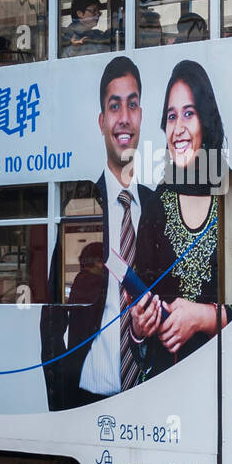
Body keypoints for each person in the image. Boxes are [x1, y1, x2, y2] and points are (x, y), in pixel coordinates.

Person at [40, 55, 159, 410]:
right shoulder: (82, 206)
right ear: (102, 121)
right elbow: (52, 316)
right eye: (114, 106)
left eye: (132, 105)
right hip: (85, 397)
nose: (124, 117)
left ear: (141, 116)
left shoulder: (159, 209)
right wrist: (59, 403)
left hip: (151, 394)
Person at [132, 60, 232, 375]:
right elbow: (139, 334)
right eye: (171, 116)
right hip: (165, 385)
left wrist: (205, 317)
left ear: (207, 121)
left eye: (189, 114)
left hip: (231, 382)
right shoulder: (156, 206)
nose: (178, 128)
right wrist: (139, 325)